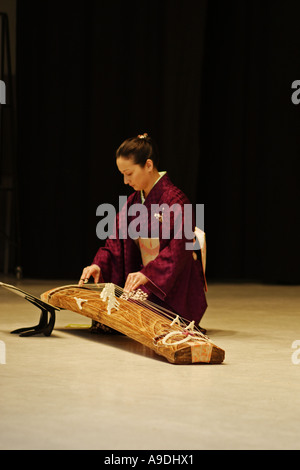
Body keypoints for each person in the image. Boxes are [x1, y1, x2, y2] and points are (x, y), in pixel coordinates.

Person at [79, 133, 207, 330]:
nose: (125, 180)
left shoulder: (176, 201)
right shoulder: (132, 202)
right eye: (122, 174)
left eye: (129, 173)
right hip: (143, 282)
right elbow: (115, 244)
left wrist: (148, 275)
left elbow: (178, 252)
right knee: (113, 309)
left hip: (170, 289)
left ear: (148, 165)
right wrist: (99, 265)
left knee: (130, 315)